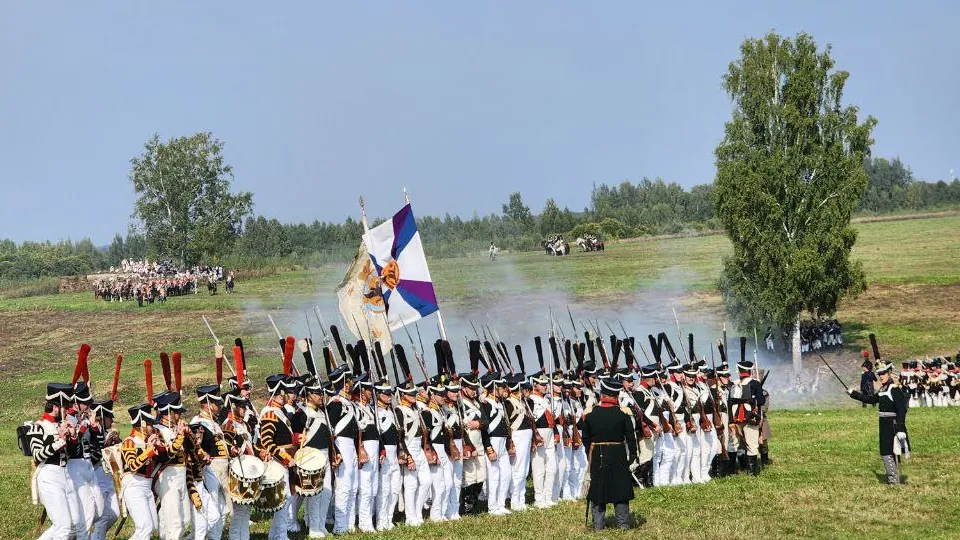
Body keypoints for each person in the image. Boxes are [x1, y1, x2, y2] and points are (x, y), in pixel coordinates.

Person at [582, 377, 638, 531]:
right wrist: (632, 456)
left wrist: (591, 452)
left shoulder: (591, 414)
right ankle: (623, 524)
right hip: (618, 454)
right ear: (615, 395)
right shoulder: (623, 414)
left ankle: (598, 526)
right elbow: (631, 438)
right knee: (620, 489)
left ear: (603, 394)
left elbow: (585, 439)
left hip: (598, 454)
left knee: (598, 490)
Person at [848, 361, 909, 484]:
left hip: (893, 424)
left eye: (883, 373)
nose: (881, 376)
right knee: (886, 451)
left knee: (888, 452)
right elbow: (870, 399)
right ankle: (893, 478)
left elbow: (902, 409)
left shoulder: (894, 389)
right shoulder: (882, 389)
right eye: (879, 374)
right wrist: (853, 394)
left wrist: (900, 428)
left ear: (889, 373)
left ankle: (893, 480)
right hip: (883, 424)